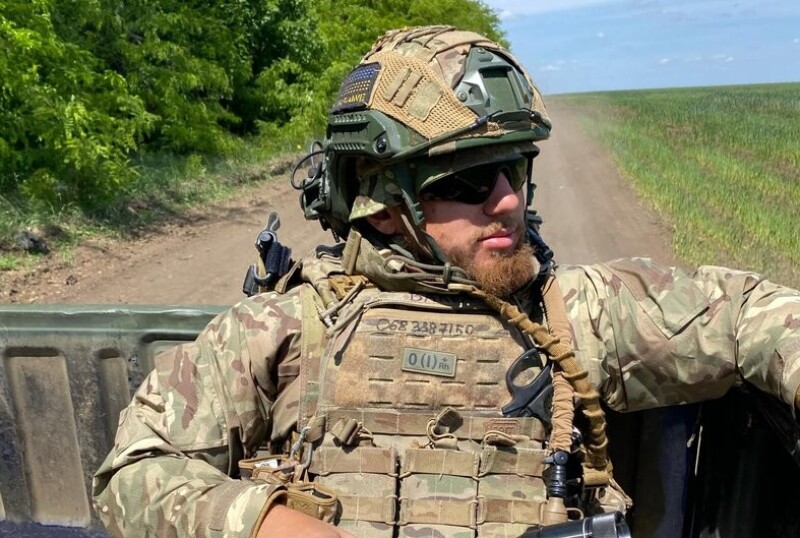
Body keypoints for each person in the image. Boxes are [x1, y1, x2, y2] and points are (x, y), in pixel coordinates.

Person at [92, 25, 800, 538]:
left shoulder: (576, 312)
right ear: (382, 202)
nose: (507, 200)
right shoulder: (279, 329)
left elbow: (746, 316)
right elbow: (133, 474)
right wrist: (269, 524)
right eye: (466, 180)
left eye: (514, 168)